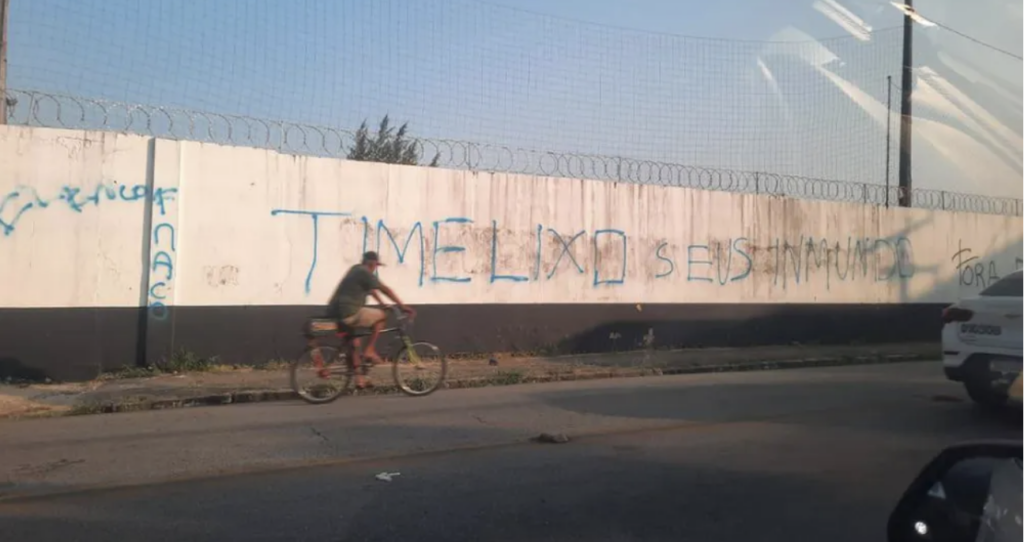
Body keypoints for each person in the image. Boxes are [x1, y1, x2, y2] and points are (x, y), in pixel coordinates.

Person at [327, 251, 415, 388]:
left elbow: (371, 290)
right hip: (348, 313)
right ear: (372, 263)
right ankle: (370, 349)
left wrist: (382, 303)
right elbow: (385, 289)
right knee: (382, 316)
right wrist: (402, 306)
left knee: (354, 343)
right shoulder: (364, 272)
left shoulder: (355, 270)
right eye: (375, 265)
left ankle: (360, 380)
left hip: (334, 313)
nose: (375, 268)